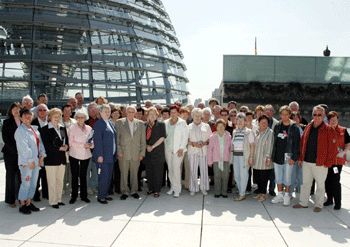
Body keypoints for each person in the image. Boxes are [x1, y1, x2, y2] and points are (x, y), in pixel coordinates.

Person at [293, 105, 337, 213]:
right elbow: (302, 142)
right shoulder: (308, 127)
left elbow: (333, 148)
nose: (317, 117)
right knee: (305, 184)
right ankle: (303, 203)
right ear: (312, 115)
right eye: (315, 114)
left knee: (320, 185)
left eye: (319, 115)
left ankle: (319, 204)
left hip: (320, 163)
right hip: (307, 161)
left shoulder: (328, 129)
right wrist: (300, 157)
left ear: (323, 116)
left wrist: (328, 162)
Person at [15, 109, 46, 214]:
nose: (28, 118)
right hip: (26, 163)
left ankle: (29, 202)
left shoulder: (34, 129)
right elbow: (23, 148)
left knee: (33, 183)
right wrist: (30, 160)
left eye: (30, 116)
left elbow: (40, 143)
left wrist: (42, 155)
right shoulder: (20, 131)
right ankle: (23, 204)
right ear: (21, 118)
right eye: (25, 116)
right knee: (26, 183)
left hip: (36, 161)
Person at [271, 106, 300, 206]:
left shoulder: (294, 127)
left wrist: (294, 158)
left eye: (286, 114)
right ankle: (279, 195)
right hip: (277, 155)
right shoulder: (277, 126)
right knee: (278, 176)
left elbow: (297, 144)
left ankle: (287, 195)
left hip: (288, 156)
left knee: (287, 177)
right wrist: (272, 155)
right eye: (282, 114)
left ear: (289, 115)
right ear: (280, 115)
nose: (284, 116)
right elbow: (274, 142)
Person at [40, 108, 69, 209]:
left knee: (60, 181)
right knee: (52, 181)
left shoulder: (62, 128)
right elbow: (47, 145)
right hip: (51, 160)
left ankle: (59, 199)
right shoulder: (44, 129)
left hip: (61, 159)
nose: (57, 118)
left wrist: (66, 146)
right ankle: (53, 201)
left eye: (59, 116)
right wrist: (59, 148)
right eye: (55, 116)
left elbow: (66, 141)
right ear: (50, 117)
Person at [116, 106, 146, 200]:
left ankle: (134, 191)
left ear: (135, 113)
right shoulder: (119, 122)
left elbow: (143, 141)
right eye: (129, 111)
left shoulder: (141, 123)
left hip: (136, 153)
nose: (131, 113)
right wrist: (119, 151)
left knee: (134, 173)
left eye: (133, 112)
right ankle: (124, 191)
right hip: (123, 153)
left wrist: (142, 153)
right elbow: (117, 139)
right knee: (124, 173)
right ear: (126, 112)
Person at [323, 111, 350, 210]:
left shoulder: (343, 130)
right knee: (327, 181)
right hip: (326, 160)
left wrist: (344, 152)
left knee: (335, 181)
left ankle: (338, 202)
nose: (333, 121)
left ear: (338, 119)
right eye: (331, 120)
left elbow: (348, 144)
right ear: (328, 121)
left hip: (337, 161)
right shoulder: (325, 130)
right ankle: (329, 199)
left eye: (335, 119)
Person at [68, 110, 94, 204]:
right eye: (78, 117)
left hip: (86, 155)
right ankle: (74, 196)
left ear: (85, 118)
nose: (80, 119)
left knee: (83, 176)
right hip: (74, 154)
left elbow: (92, 141)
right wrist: (83, 145)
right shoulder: (72, 128)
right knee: (74, 176)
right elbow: (70, 142)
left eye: (82, 117)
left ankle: (84, 196)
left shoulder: (89, 128)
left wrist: (90, 145)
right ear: (76, 118)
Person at [92, 104, 117, 204]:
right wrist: (99, 155)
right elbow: (97, 141)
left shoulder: (109, 123)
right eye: (105, 111)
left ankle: (105, 194)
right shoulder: (99, 124)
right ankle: (101, 196)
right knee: (103, 176)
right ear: (100, 112)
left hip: (111, 156)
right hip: (103, 157)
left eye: (109, 111)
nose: (107, 113)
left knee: (108, 177)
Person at [164, 105, 189, 198]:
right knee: (170, 169)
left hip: (178, 150)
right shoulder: (165, 122)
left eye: (175, 112)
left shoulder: (182, 123)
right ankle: (173, 188)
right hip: (168, 149)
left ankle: (177, 190)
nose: (173, 114)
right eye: (171, 112)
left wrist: (182, 148)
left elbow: (185, 137)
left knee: (176, 169)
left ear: (178, 113)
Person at [187, 108, 212, 196]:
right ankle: (193, 188)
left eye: (199, 115)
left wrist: (204, 143)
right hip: (192, 151)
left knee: (204, 170)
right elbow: (186, 140)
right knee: (193, 170)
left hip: (203, 151)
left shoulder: (206, 126)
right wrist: (193, 143)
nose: (197, 117)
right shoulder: (189, 126)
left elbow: (210, 139)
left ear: (201, 116)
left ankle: (204, 188)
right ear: (192, 116)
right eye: (195, 115)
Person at [143, 107, 166, 197]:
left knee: (158, 172)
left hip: (158, 152)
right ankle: (150, 188)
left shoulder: (161, 124)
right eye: (150, 114)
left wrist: (152, 146)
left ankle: (157, 190)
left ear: (157, 115)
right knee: (149, 171)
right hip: (147, 153)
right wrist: (146, 146)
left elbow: (162, 137)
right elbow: (141, 139)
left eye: (154, 114)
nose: (152, 116)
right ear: (147, 115)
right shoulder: (144, 125)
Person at [231, 113, 255, 201]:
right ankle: (241, 191)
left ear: (245, 122)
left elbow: (252, 145)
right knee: (237, 175)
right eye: (238, 120)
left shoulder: (249, 132)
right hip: (235, 156)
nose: (240, 122)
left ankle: (242, 194)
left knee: (243, 175)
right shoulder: (234, 131)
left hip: (244, 157)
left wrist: (251, 157)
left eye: (242, 120)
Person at [2, 102, 21, 208]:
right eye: (14, 109)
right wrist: (16, 150)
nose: (16, 111)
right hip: (10, 153)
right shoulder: (6, 122)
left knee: (20, 176)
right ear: (11, 110)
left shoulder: (23, 121)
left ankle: (20, 197)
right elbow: (6, 139)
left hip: (21, 154)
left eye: (18, 109)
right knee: (10, 176)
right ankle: (10, 200)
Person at [207, 119, 232, 198]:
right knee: (217, 176)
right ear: (216, 127)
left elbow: (230, 149)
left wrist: (230, 160)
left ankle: (224, 192)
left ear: (225, 127)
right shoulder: (212, 137)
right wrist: (209, 161)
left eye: (222, 126)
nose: (220, 128)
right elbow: (210, 150)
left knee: (225, 176)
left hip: (225, 160)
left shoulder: (228, 136)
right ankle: (217, 192)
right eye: (219, 126)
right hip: (216, 160)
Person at [253, 115, 274, 202]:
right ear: (259, 123)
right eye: (262, 122)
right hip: (256, 159)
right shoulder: (257, 132)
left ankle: (263, 194)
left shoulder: (270, 132)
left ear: (268, 124)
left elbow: (270, 145)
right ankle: (260, 193)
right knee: (258, 177)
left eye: (265, 122)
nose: (263, 124)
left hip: (264, 159)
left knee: (264, 178)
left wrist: (268, 157)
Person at [31, 103, 49, 201]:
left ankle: (46, 193)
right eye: (40, 110)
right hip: (36, 153)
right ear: (37, 112)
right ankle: (36, 195)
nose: (42, 112)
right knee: (36, 175)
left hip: (48, 153)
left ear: (47, 112)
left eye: (44, 110)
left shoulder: (50, 122)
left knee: (46, 175)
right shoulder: (33, 122)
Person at [86, 102, 99, 195]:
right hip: (86, 150)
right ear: (88, 111)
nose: (93, 111)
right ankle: (87, 187)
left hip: (97, 150)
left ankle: (94, 186)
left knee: (95, 170)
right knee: (87, 170)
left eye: (95, 109)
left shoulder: (101, 121)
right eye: (91, 109)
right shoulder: (85, 122)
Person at [289, 111, 305, 195]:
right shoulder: (290, 129)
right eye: (293, 117)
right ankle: (290, 193)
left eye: (296, 117)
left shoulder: (304, 128)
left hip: (302, 156)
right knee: (292, 176)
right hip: (293, 155)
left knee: (301, 176)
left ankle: (300, 193)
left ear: (299, 118)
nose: (295, 119)